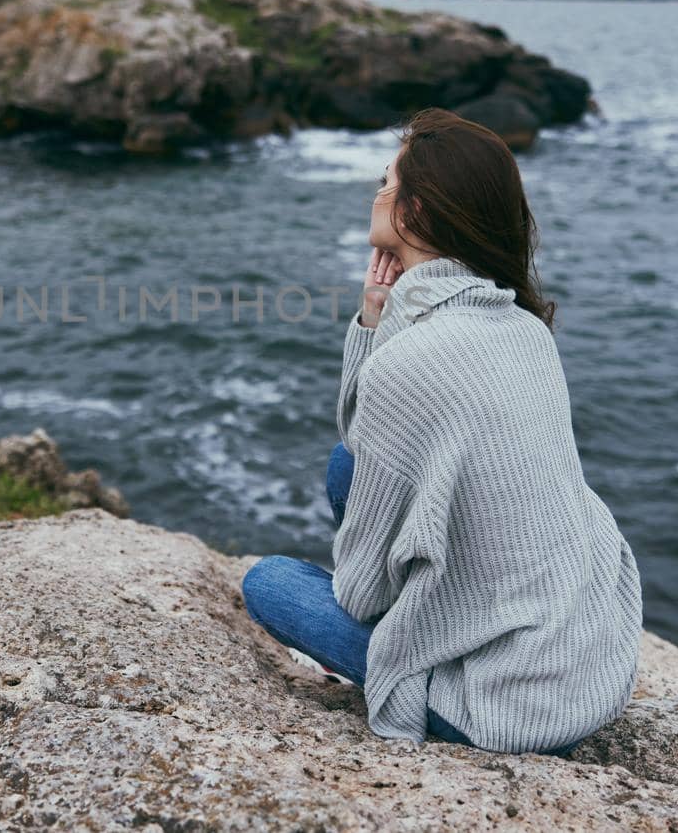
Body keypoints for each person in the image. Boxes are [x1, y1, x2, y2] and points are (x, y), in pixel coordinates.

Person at [240, 107, 643, 756]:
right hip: (580, 659)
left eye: (387, 181)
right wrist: (373, 319)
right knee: (348, 466)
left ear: (415, 211)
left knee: (270, 582)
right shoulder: (523, 329)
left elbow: (361, 588)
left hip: (501, 702)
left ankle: (430, 675)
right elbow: (366, 438)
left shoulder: (414, 362)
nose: (375, 192)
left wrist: (388, 608)